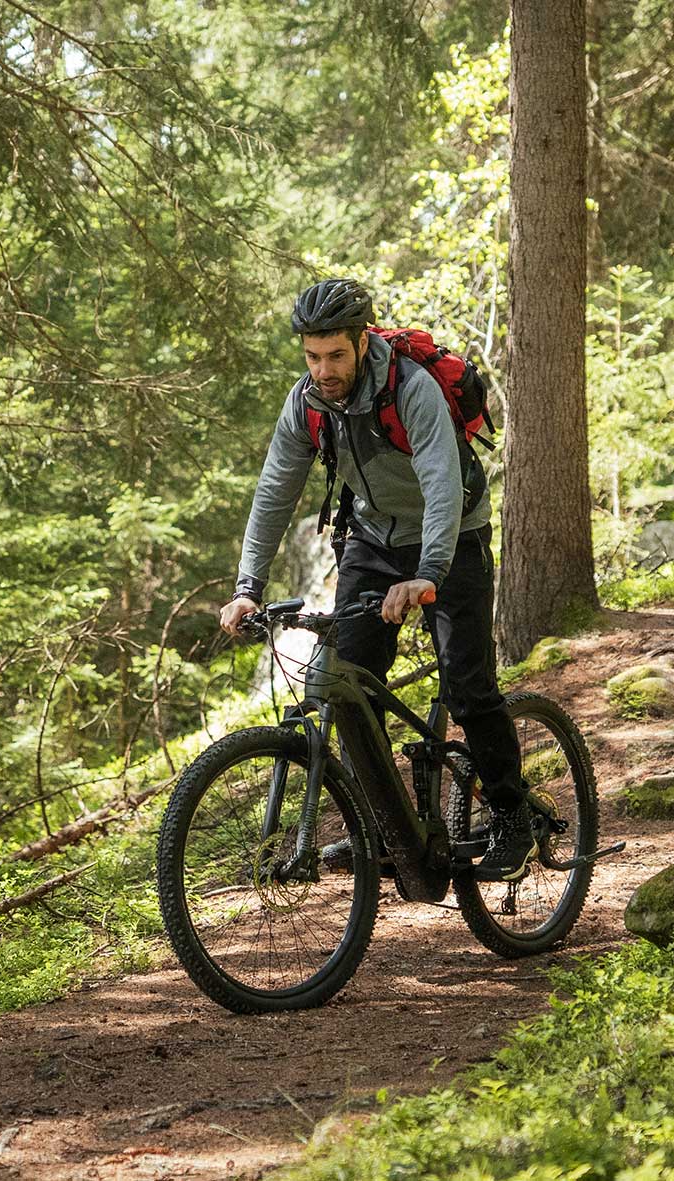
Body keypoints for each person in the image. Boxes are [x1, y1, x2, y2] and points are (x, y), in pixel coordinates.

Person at [218, 277, 533, 878]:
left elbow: (442, 484)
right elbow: (273, 495)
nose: (324, 369)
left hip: (452, 537)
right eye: (312, 356)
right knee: (346, 684)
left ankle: (513, 815)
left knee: (467, 685)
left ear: (362, 342)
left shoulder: (409, 388)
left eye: (335, 354)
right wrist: (246, 587)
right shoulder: (307, 402)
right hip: (372, 539)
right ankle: (386, 830)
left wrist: (427, 574)